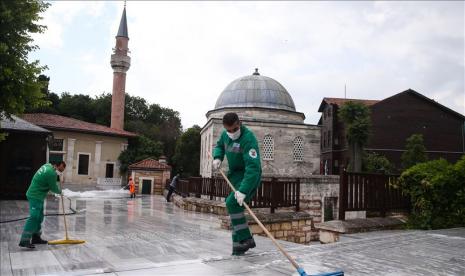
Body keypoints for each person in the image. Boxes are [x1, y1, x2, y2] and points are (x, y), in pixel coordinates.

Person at [212, 112, 262, 255]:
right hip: (234, 176)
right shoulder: (225, 135)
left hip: (249, 177)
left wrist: (244, 190)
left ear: (239, 123)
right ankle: (238, 248)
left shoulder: (248, 138)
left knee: (232, 203)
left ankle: (247, 239)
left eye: (234, 129)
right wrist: (217, 157)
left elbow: (253, 168)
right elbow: (220, 146)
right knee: (236, 211)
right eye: (229, 130)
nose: (232, 133)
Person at [19, 161, 66, 249]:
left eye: (62, 171)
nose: (60, 172)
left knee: (40, 217)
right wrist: (61, 192)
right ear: (56, 165)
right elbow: (53, 188)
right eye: (60, 170)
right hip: (35, 195)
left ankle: (36, 237)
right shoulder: (51, 173)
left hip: (38, 195)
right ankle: (24, 240)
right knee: (34, 217)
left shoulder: (47, 165)